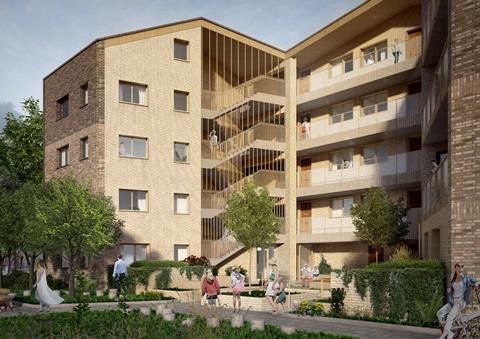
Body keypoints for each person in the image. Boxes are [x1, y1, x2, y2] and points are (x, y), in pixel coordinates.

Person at [437, 263, 478, 339]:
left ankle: (443, 335)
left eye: (462, 266)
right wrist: (450, 291)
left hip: (461, 301)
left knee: (450, 317)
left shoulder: (466, 278)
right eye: (458, 265)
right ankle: (450, 332)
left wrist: (476, 284)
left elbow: (475, 281)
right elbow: (453, 291)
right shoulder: (453, 280)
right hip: (452, 302)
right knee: (439, 313)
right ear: (455, 268)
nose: (460, 267)